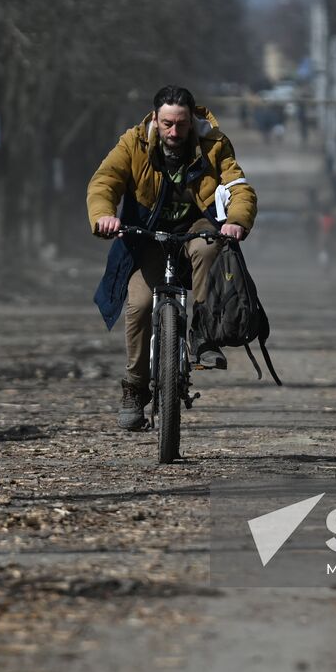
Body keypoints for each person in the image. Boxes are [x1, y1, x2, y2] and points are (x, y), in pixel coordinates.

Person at [86, 86, 256, 430]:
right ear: (155, 119)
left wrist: (236, 221)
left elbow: (238, 187)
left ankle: (204, 334)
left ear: (192, 120)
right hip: (147, 235)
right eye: (167, 124)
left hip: (197, 227)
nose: (174, 133)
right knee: (137, 306)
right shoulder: (132, 144)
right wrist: (104, 215)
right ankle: (134, 387)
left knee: (210, 248)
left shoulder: (214, 144)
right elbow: (105, 182)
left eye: (181, 125)